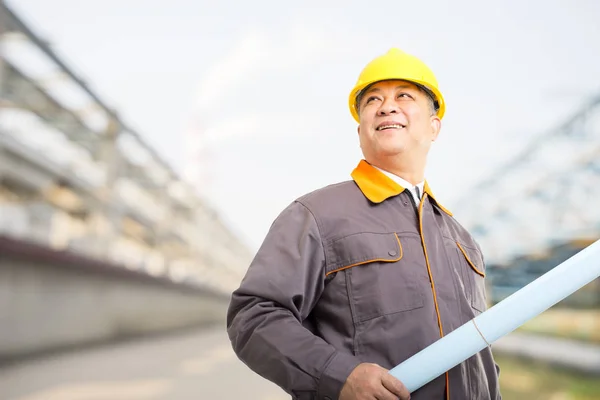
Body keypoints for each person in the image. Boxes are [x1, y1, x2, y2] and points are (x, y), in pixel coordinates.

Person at [227, 48, 501, 400]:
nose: (387, 106)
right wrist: (339, 376)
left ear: (434, 127)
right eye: (373, 99)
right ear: (361, 131)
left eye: (404, 95)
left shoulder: (462, 240)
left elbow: (481, 357)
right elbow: (253, 316)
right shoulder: (316, 214)